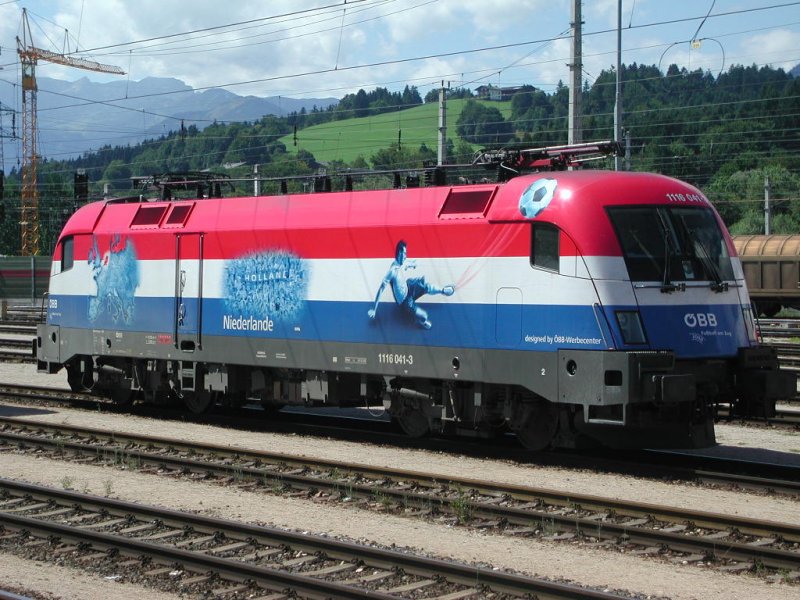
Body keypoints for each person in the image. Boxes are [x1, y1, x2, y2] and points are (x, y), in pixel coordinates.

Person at [368, 240, 454, 329]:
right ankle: (422, 322)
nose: (406, 256)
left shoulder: (402, 263)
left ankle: (443, 290)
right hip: (404, 302)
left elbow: (406, 264)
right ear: (400, 253)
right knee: (424, 315)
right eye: (405, 253)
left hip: (408, 287)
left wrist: (412, 264)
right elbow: (381, 289)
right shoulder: (392, 271)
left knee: (426, 286)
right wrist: (374, 309)